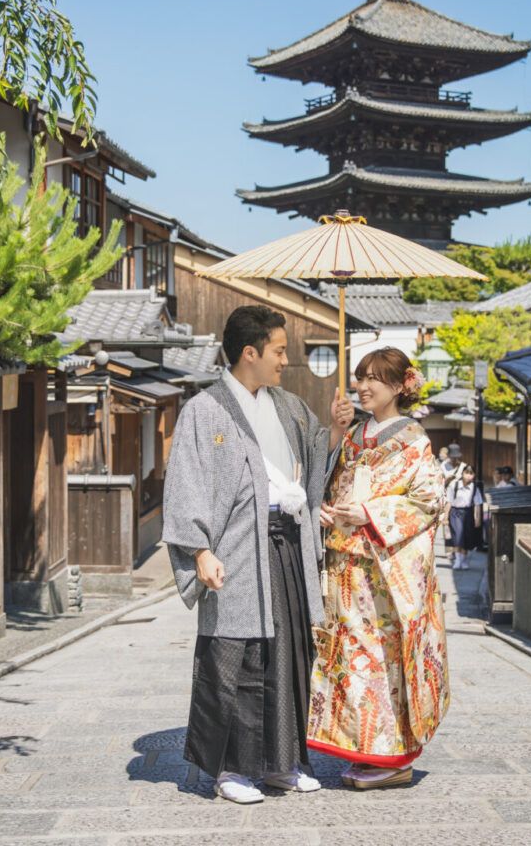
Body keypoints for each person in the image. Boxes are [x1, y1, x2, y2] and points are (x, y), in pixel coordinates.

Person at [162, 306, 353, 805]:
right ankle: (231, 770)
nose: (285, 361)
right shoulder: (204, 411)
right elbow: (185, 484)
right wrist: (199, 551)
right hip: (236, 551)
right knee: (236, 655)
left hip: (287, 542)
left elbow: (313, 457)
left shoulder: (287, 405)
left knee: (287, 653)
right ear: (250, 352)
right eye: (279, 350)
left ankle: (281, 764)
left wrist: (333, 430)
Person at [309, 347, 451, 791]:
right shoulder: (354, 433)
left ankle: (393, 756)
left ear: (399, 385)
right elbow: (331, 481)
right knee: (350, 659)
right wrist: (328, 508)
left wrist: (369, 513)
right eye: (360, 377)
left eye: (374, 378)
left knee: (384, 661)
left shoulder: (413, 439)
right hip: (347, 563)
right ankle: (364, 748)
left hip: (384, 571)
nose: (363, 386)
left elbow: (430, 501)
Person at [445, 466, 483, 570]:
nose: (468, 475)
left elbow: (478, 504)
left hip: (468, 512)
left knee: (466, 536)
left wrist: (478, 519)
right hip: (455, 512)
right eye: (466, 473)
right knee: (458, 535)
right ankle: (458, 560)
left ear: (474, 475)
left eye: (471, 473)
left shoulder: (474, 488)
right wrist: (445, 516)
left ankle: (464, 559)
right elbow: (449, 501)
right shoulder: (454, 485)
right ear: (462, 474)